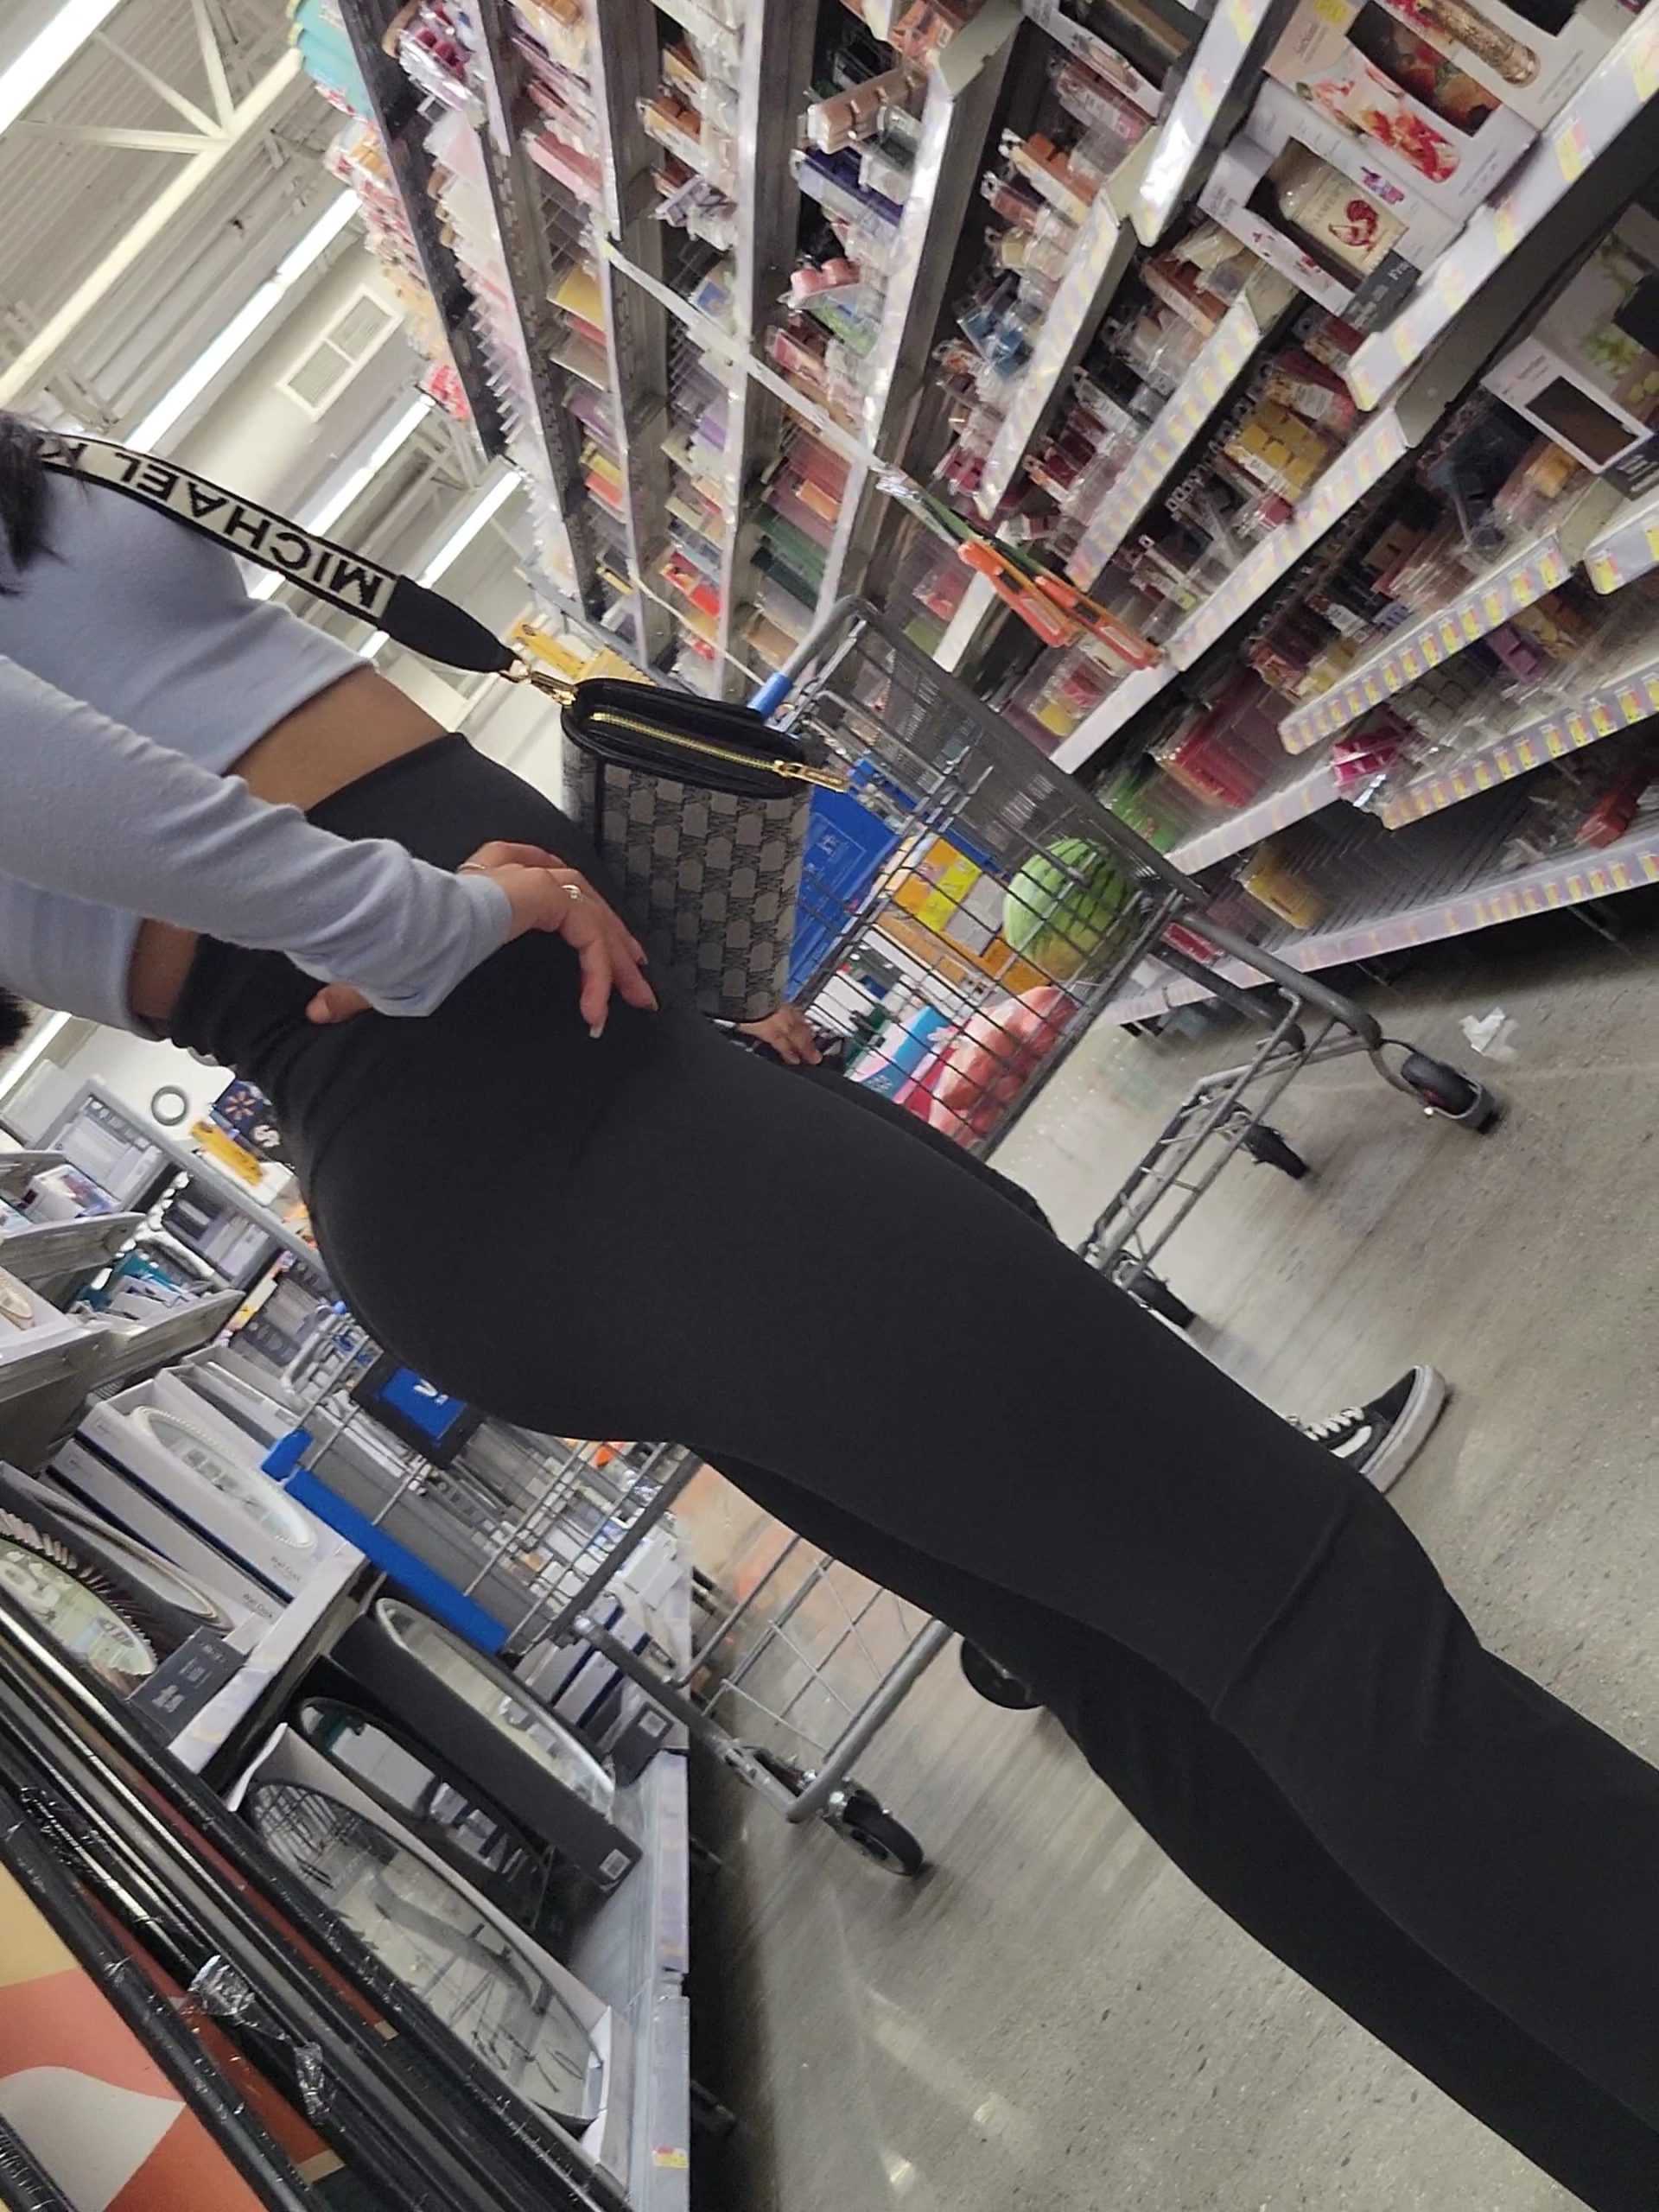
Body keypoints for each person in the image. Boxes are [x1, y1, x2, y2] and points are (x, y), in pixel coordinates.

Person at [2, 416, 1657, 2210]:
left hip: (546, 1133)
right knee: (1296, 1594)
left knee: (1155, 1671)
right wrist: (412, 918)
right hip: (533, 1119)